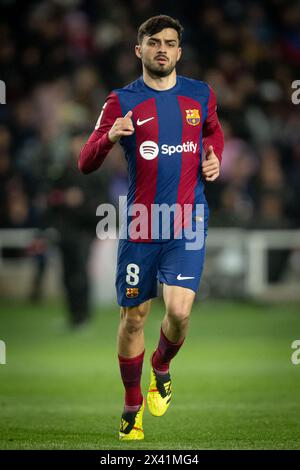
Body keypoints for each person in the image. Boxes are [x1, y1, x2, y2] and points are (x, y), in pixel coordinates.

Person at [79, 15, 224, 440]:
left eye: (170, 43)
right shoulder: (119, 102)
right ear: (138, 50)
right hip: (141, 222)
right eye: (154, 42)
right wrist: (108, 139)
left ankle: (161, 367)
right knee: (134, 318)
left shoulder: (201, 95)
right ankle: (131, 405)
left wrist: (214, 157)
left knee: (178, 313)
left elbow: (214, 135)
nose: (162, 48)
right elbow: (85, 162)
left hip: (187, 220)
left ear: (180, 52)